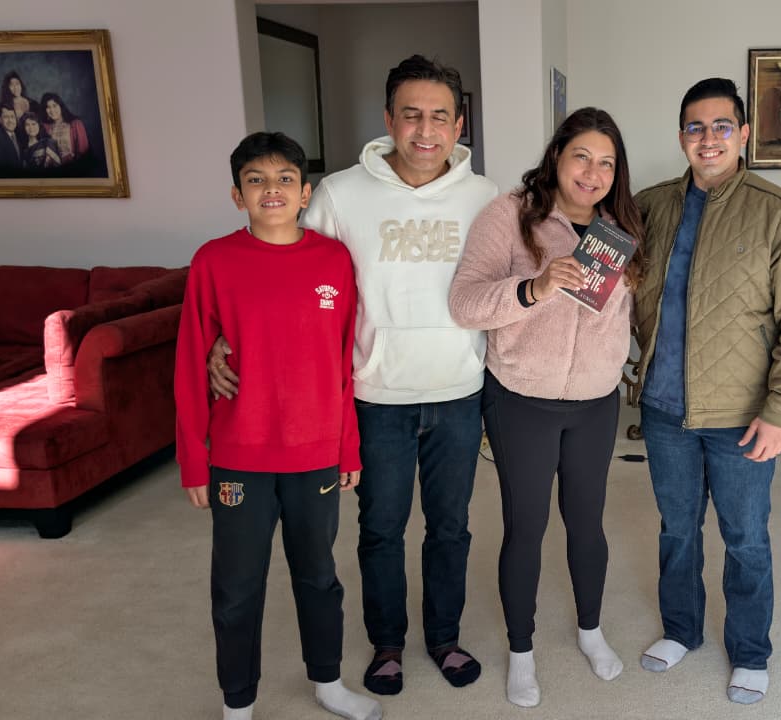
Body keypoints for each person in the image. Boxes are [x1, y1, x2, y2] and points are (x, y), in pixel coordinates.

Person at [207, 55, 498, 697]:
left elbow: (505, 283)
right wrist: (225, 338)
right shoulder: (340, 193)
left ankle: (444, 638)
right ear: (388, 119)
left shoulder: (486, 196)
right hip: (375, 395)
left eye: (440, 116)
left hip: (458, 391)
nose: (426, 129)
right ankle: (387, 644)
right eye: (412, 114)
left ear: (459, 125)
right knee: (381, 529)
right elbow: (285, 264)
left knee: (451, 527)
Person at [632, 78, 781, 705]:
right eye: (696, 127)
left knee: (745, 538)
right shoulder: (649, 207)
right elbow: (607, 285)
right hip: (664, 408)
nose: (708, 139)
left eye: (722, 126)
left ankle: (749, 650)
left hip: (742, 414)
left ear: (744, 134)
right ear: (681, 137)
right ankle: (681, 630)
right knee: (677, 530)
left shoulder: (780, 212)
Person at [175, 131, 382, 720]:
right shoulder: (214, 261)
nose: (272, 190)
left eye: (285, 179)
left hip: (315, 454)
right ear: (237, 195)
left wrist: (348, 449)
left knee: (319, 576)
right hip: (239, 455)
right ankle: (237, 703)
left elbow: (342, 362)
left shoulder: (333, 260)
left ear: (305, 193)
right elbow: (191, 359)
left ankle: (328, 682)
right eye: (256, 180)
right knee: (236, 587)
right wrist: (193, 460)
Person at [448, 107, 643, 707]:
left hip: (594, 402)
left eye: (606, 162)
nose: (592, 172)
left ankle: (591, 631)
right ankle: (521, 651)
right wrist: (535, 288)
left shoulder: (622, 229)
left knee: (587, 523)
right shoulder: (509, 215)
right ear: (557, 155)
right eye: (582, 155)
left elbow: (629, 314)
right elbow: (464, 303)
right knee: (525, 528)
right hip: (521, 399)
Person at [40, 92, 91, 164]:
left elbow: (83, 152)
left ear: (61, 106)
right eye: (48, 107)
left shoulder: (76, 124)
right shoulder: (46, 128)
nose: (52, 110)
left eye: (54, 106)